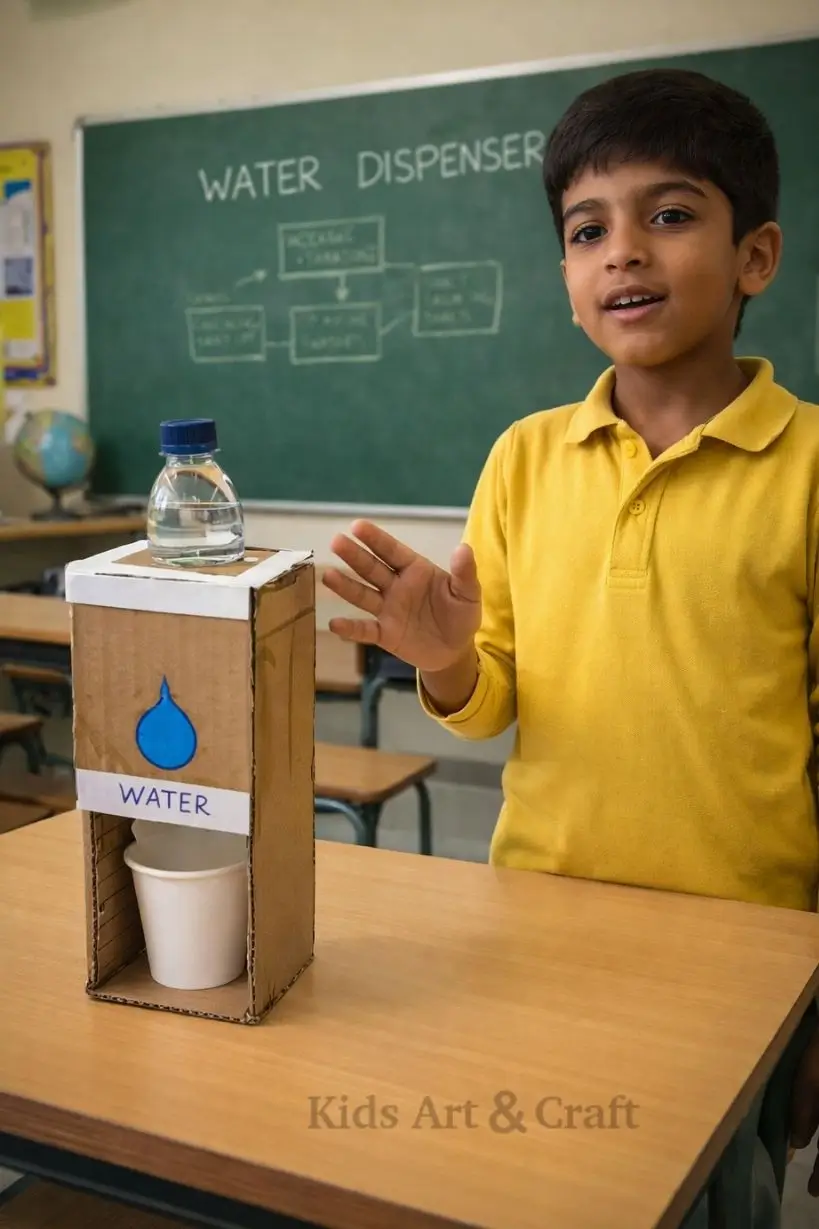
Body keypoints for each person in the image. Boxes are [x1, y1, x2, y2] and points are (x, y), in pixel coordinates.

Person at [322, 68, 819, 1223]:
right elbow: (493, 698)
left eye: (672, 214)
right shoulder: (525, 458)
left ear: (757, 256)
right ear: (564, 275)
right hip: (540, 929)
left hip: (746, 955)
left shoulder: (804, 469)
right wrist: (445, 657)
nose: (624, 252)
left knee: (713, 1202)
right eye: (587, 229)